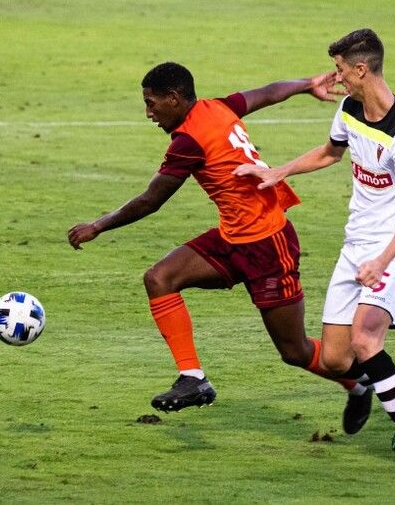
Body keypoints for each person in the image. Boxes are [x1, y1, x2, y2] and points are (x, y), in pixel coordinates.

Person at [67, 62, 366, 421]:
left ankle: (370, 383)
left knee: (295, 351)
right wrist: (306, 84)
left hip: (268, 245)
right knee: (160, 278)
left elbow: (152, 200)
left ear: (174, 99)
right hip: (232, 238)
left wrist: (98, 226)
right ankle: (193, 378)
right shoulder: (217, 106)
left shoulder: (188, 141)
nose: (148, 113)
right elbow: (268, 93)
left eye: (151, 103)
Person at [234, 29, 395, 474]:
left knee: (366, 341)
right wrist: (279, 171)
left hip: (394, 246)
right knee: (335, 358)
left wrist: (381, 262)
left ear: (361, 69)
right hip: (357, 244)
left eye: (341, 70)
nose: (336, 78)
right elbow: (331, 152)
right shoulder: (350, 108)